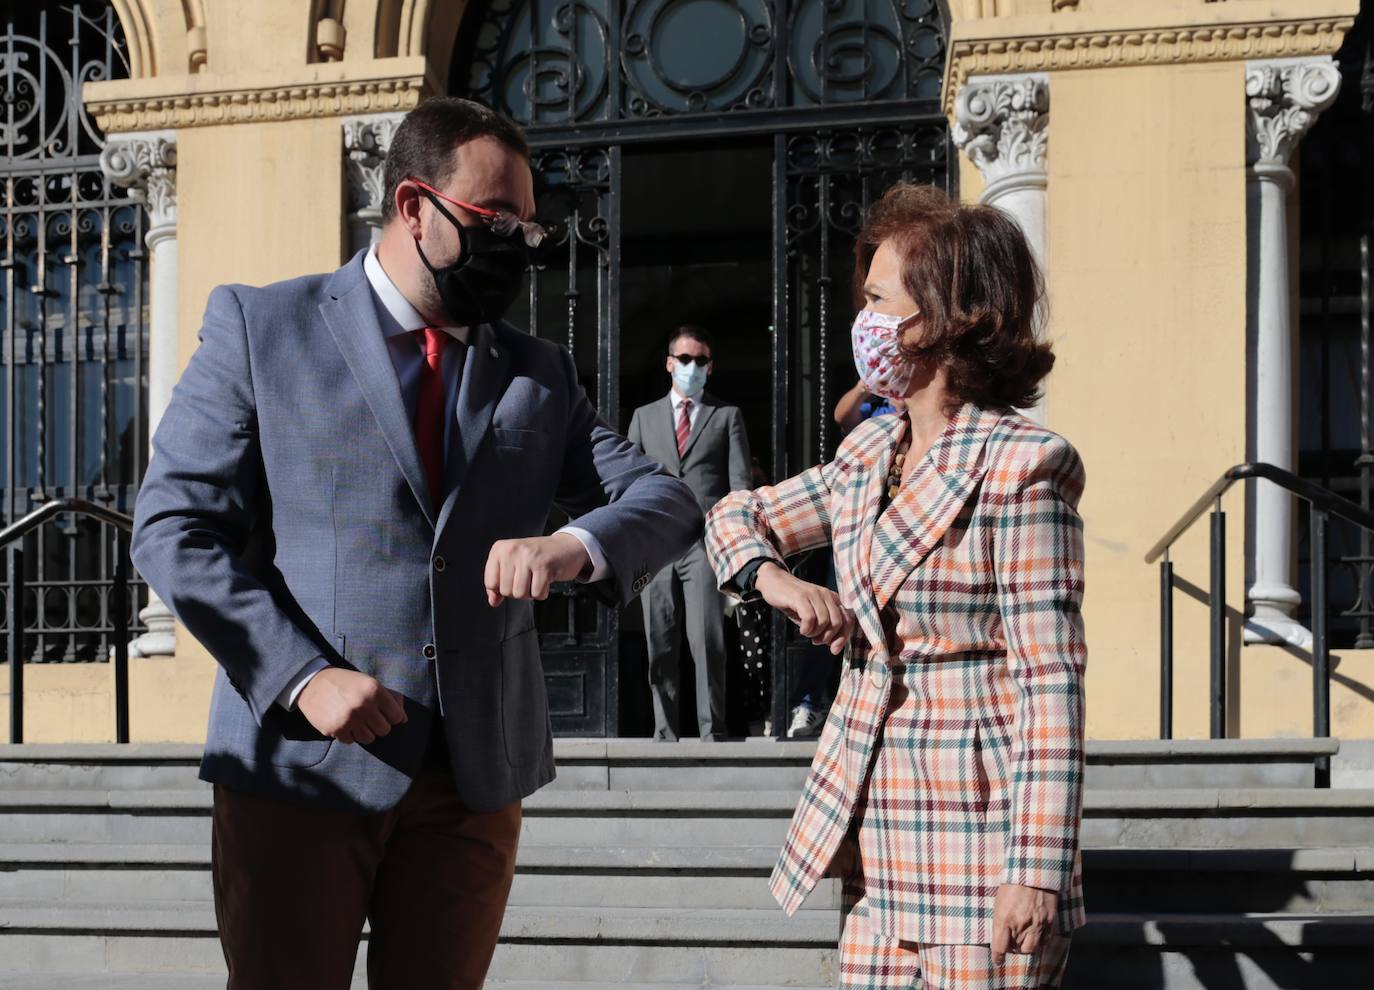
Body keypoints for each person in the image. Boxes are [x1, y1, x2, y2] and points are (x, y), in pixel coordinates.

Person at [130, 97, 702, 990]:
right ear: (412, 207)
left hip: (472, 778)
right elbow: (175, 528)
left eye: (527, 224)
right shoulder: (262, 328)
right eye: (493, 218)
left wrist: (573, 546)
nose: (516, 240)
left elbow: (663, 497)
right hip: (299, 768)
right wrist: (301, 676)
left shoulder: (536, 372)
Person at [704, 181, 1087, 989]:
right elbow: (734, 516)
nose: (865, 322)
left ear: (943, 316)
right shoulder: (866, 458)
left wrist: (1038, 866)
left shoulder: (1023, 465)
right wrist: (776, 581)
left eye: (879, 300)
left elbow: (1049, 679)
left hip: (980, 836)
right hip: (873, 829)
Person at [627, 325, 752, 740]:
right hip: (656, 546)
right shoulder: (644, 418)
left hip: (704, 545)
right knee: (659, 643)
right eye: (685, 359)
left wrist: (736, 549)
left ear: (710, 366)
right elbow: (628, 483)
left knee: (708, 642)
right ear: (669, 363)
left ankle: (711, 731)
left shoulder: (727, 416)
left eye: (700, 360)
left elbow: (739, 488)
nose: (692, 367)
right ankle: (665, 732)